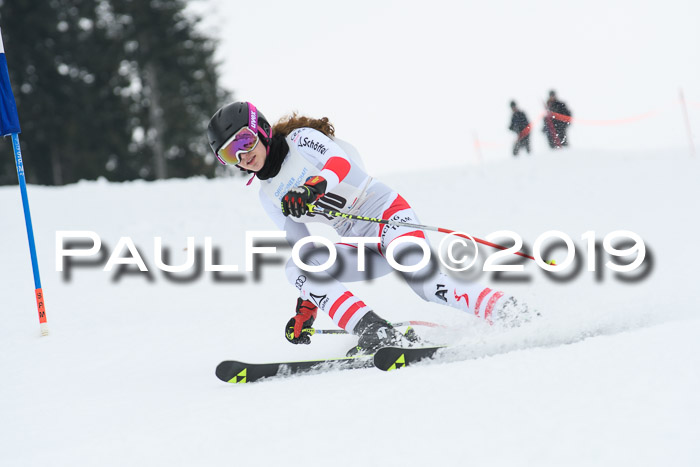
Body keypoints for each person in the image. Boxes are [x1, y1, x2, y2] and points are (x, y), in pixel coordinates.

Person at [207, 102, 533, 356]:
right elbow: (304, 251)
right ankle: (374, 330)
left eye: (245, 141)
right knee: (295, 269)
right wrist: (309, 304)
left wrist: (312, 188)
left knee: (428, 286)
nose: (242, 155)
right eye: (228, 153)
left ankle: (511, 312)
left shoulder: (300, 140)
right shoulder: (268, 195)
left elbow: (341, 165)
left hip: (390, 218)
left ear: (262, 130)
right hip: (363, 246)